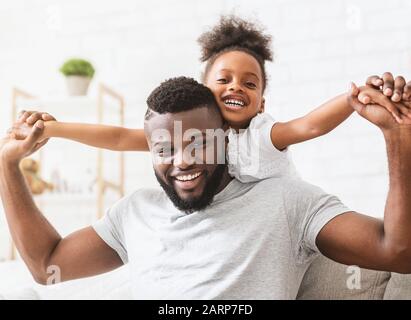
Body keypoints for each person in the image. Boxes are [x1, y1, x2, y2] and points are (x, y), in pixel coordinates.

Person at [2, 76, 411, 299]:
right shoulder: (134, 212)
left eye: (197, 142)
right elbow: (47, 268)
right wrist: (7, 164)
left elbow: (398, 252)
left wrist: (397, 137)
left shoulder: (286, 200)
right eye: (164, 147)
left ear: (225, 138)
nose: (181, 160)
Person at [12, 16, 411, 183]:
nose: (237, 87)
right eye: (225, 79)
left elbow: (309, 125)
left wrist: (355, 97)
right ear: (204, 89)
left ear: (262, 102)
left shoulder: (262, 135)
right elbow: (120, 137)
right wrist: (52, 128)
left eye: (250, 84)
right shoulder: (187, 135)